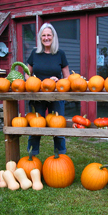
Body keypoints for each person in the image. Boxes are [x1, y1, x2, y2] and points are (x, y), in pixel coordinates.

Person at [24, 22, 70, 156]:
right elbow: (27, 73)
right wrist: (31, 81)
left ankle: (60, 156)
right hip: (37, 96)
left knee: (58, 127)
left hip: (56, 95)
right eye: (43, 35)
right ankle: (32, 157)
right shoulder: (35, 53)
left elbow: (67, 77)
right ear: (40, 38)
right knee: (36, 126)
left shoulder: (60, 54)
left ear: (53, 37)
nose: (46, 38)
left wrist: (58, 81)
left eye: (49, 35)